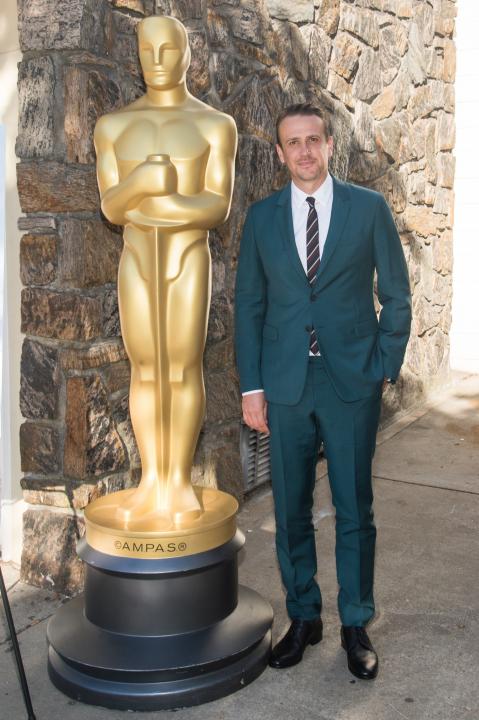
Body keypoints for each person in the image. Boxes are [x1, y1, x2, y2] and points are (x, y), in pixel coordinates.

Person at [234, 103, 411, 679]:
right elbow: (250, 306)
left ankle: (356, 623)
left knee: (354, 507)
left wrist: (384, 363)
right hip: (286, 383)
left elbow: (397, 292)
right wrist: (252, 387)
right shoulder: (262, 218)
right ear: (280, 153)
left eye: (313, 139)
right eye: (293, 142)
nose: (304, 151)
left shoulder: (368, 208)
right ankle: (304, 618)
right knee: (290, 509)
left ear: (330, 145)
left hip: (351, 382)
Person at [94, 15, 237, 526]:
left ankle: (177, 481)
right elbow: (112, 206)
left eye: (168, 50)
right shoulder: (113, 127)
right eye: (147, 51)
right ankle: (151, 480)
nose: (157, 61)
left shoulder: (214, 125)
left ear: (187, 54)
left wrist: (165, 199)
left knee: (181, 365)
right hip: (137, 258)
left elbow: (216, 206)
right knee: (145, 367)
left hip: (186, 258)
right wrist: (142, 183)